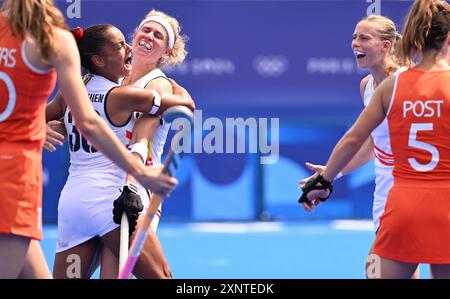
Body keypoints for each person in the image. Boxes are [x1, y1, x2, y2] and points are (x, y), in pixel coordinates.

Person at [0, 0, 178, 279]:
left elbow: (48, 112)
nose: (141, 41)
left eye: (159, 35)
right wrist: (139, 172)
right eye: (145, 31)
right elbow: (109, 125)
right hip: (115, 194)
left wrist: (34, 123)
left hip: (73, 200)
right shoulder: (52, 39)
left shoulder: (84, 84)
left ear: (168, 50)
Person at [299, 0, 450, 279]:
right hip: (407, 193)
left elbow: (353, 139)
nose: (355, 42)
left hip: (405, 196)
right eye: (354, 37)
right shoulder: (373, 86)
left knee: (377, 271)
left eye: (364, 37)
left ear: (388, 45)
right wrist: (334, 173)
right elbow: (370, 143)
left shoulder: (397, 85)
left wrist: (326, 179)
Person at [45, 24, 194, 278]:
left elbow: (26, 117)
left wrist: (41, 128)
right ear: (99, 60)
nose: (127, 48)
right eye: (119, 46)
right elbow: (186, 106)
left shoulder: (72, 91)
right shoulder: (122, 95)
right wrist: (178, 89)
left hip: (73, 204)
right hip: (113, 198)